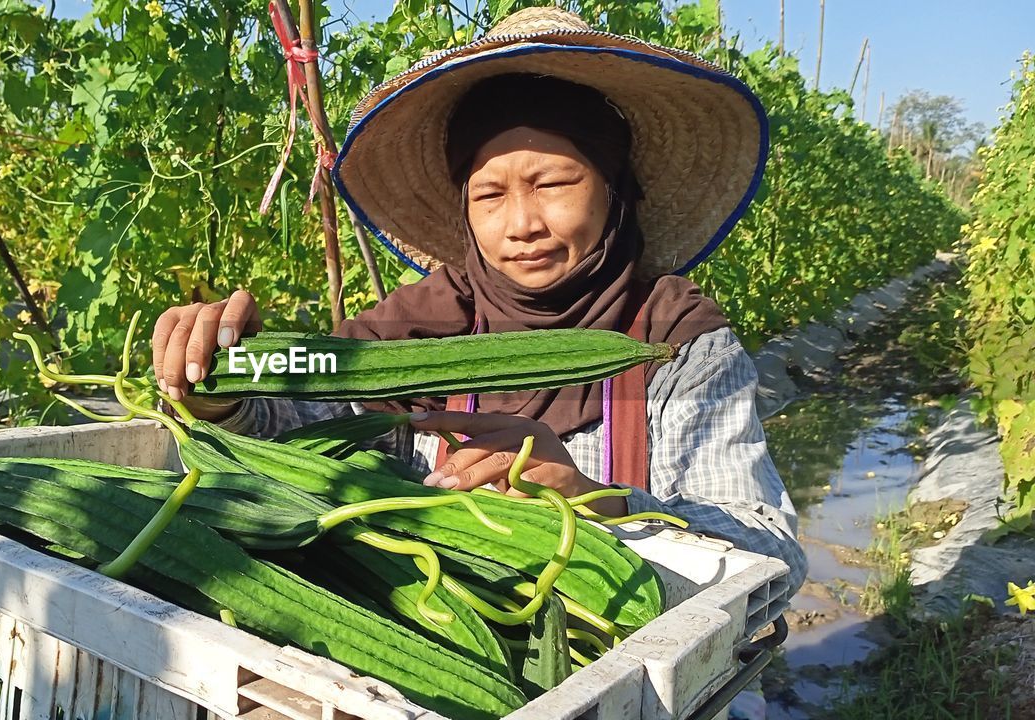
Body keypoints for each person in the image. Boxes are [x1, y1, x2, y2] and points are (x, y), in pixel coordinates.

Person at [151, 6, 806, 598]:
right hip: (455, 624)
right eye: (490, 194)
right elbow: (305, 420)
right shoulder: (418, 329)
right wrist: (227, 387)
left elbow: (769, 555)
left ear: (614, 189)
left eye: (552, 182)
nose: (521, 224)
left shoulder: (676, 340)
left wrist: (596, 501)